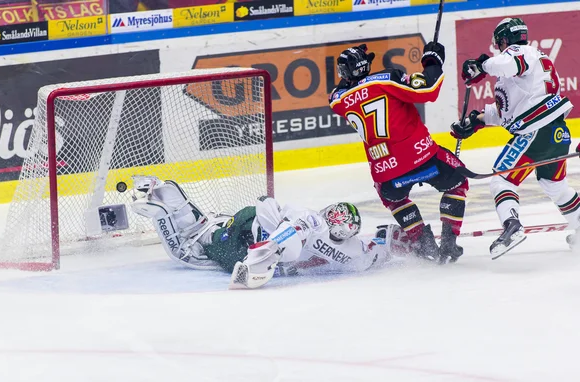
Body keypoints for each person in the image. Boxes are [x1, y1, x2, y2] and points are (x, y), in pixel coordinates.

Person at [128, 176, 412, 289]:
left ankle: (169, 198)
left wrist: (395, 239)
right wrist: (253, 267)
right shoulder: (339, 244)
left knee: (209, 234)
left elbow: (373, 251)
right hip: (247, 234)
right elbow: (279, 229)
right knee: (210, 242)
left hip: (249, 230)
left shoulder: (345, 247)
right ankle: (188, 216)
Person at [328, 43, 469, 264]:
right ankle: (449, 240)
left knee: (393, 198)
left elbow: (346, 87)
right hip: (422, 157)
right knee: (457, 181)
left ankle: (422, 240)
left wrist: (352, 65)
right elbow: (428, 90)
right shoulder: (387, 79)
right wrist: (432, 60)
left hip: (386, 174)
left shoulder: (337, 100)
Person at [451, 17, 580, 257]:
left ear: (503, 40)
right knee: (555, 186)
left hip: (535, 129)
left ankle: (512, 226)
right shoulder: (524, 71)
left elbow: (507, 63)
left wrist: (482, 65)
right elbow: (504, 113)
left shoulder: (521, 52)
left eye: (498, 44)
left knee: (501, 181)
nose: (498, 49)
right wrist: (475, 121)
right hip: (556, 132)